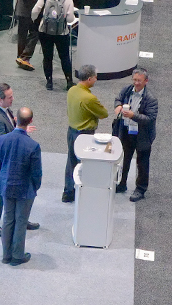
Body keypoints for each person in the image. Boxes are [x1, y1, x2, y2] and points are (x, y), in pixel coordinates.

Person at [0, 106, 41, 265]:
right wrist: (35, 186)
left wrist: (2, 178)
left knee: (7, 219)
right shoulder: (33, 145)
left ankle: (6, 255)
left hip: (6, 186)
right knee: (20, 221)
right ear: (30, 121)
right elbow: (36, 173)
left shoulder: (1, 140)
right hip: (24, 189)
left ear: (15, 119)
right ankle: (18, 255)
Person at [59, 64, 108, 203]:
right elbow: (104, 113)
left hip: (72, 130)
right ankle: (84, 193)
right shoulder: (89, 98)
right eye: (94, 77)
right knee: (86, 163)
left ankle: (68, 192)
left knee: (71, 162)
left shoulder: (72, 90)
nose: (96, 79)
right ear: (89, 79)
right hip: (84, 134)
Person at [112, 68, 159, 201]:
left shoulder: (151, 99)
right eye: (135, 80)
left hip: (143, 135)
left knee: (142, 163)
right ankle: (122, 183)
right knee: (124, 159)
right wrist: (118, 106)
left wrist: (134, 116)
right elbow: (118, 99)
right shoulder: (127, 90)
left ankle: (140, 189)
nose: (136, 83)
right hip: (126, 131)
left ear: (146, 81)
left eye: (139, 80)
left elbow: (150, 119)